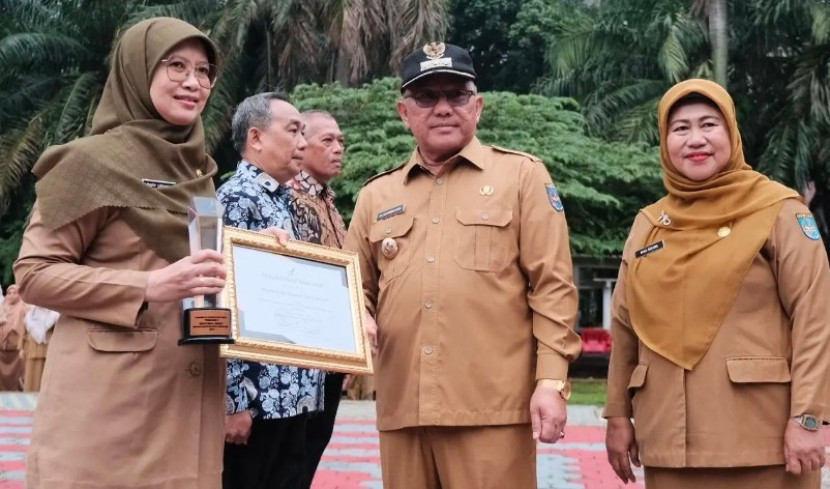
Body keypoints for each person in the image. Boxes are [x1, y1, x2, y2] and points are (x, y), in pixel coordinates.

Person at [344, 42, 582, 488]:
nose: (442, 108)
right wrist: (356, 315)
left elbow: (552, 287)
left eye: (456, 94)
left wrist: (551, 381)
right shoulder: (376, 195)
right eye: (426, 97)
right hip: (404, 410)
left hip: (492, 410)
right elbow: (354, 285)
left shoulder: (522, 177)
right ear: (404, 111)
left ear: (478, 106)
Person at [14, 17, 230, 489]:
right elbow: (34, 274)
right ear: (138, 69)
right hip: (109, 406)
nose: (194, 82)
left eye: (204, 70)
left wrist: (258, 261)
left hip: (189, 397)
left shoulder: (198, 173)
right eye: (176, 65)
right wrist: (148, 287)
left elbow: (201, 271)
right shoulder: (88, 162)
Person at [604, 79, 830, 489]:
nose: (695, 139)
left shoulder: (777, 211)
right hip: (667, 439)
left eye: (709, 124)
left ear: (731, 132)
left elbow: (816, 317)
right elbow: (624, 326)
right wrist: (618, 415)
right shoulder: (649, 224)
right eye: (680, 128)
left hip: (763, 439)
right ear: (665, 142)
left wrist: (810, 417)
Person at [219, 92, 324, 489]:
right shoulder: (236, 199)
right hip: (258, 401)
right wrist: (234, 402)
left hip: (291, 394)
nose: (303, 142)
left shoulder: (282, 201)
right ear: (257, 137)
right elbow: (226, 302)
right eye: (294, 130)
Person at [288, 110, 349, 487]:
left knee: (309, 454)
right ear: (300, 143)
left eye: (341, 141)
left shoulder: (329, 202)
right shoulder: (287, 199)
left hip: (329, 359)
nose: (338, 148)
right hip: (296, 360)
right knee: (290, 460)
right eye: (327, 140)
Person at [19, 306, 59, 392]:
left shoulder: (54, 315)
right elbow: (23, 333)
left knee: (45, 375)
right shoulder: (29, 315)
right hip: (31, 349)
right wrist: (21, 348)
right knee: (30, 375)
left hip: (46, 350)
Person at [0, 285, 26, 391]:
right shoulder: (3, 306)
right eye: (9, 293)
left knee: (17, 372)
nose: (11, 296)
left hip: (15, 347)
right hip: (2, 347)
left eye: (14, 293)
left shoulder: (23, 307)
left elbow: (25, 326)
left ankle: (17, 390)